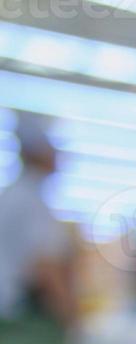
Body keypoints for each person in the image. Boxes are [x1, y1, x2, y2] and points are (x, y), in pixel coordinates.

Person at [0, 114, 76, 329]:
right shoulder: (30, 201)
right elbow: (47, 268)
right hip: (13, 316)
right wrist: (72, 323)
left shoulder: (14, 194)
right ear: (36, 152)